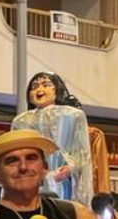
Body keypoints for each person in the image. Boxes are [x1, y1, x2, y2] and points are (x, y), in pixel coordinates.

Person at [14, 71, 93, 207]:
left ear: (57, 89)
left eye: (46, 85)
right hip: (31, 180)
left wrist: (72, 168)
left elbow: (83, 153)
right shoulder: (20, 121)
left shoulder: (73, 115)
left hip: (61, 179)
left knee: (60, 212)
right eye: (34, 86)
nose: (39, 89)